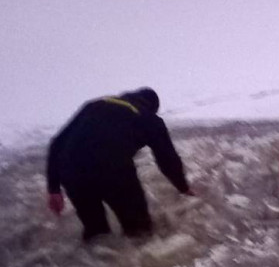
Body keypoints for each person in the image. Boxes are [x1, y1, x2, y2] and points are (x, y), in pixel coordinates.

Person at [46, 87, 193, 241]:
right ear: (152, 107)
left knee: (96, 232)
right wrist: (184, 188)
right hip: (112, 168)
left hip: (71, 171)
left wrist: (53, 188)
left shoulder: (94, 105)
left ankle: (98, 256)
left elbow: (57, 143)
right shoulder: (149, 118)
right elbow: (167, 158)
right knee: (139, 231)